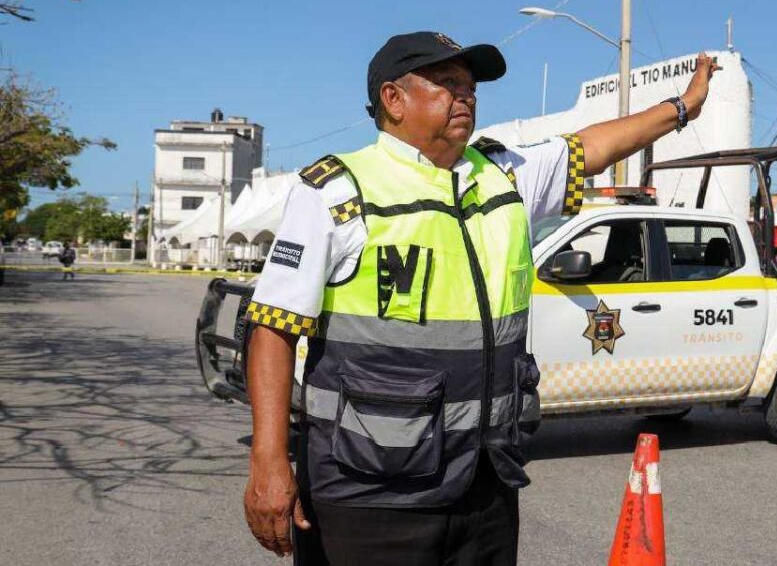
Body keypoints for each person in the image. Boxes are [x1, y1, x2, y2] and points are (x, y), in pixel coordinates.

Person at [242, 31, 720, 565]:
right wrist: (268, 460)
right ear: (393, 100)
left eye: (470, 87)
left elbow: (595, 146)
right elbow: (272, 327)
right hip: (369, 491)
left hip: (485, 483)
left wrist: (684, 107)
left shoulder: (502, 175)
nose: (465, 96)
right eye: (447, 83)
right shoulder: (337, 191)